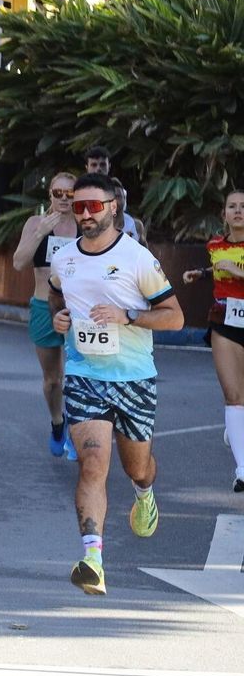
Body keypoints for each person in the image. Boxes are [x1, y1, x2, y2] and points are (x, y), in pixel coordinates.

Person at [48, 173, 184, 595]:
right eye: (78, 205)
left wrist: (129, 316)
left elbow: (175, 317)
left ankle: (144, 492)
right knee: (92, 464)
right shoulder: (64, 258)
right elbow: (57, 296)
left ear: (113, 208)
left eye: (93, 206)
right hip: (85, 375)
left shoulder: (137, 258)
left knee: (135, 467)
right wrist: (61, 320)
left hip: (134, 378)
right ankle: (92, 558)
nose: (85, 213)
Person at [13, 172, 81, 459]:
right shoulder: (34, 223)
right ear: (50, 195)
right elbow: (18, 263)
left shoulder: (84, 225)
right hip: (44, 306)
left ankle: (79, 433)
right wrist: (41, 231)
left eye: (70, 194)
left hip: (79, 308)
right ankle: (57, 422)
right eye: (58, 193)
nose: (64, 199)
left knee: (79, 376)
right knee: (53, 380)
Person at [183, 188, 244, 490]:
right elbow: (220, 267)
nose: (238, 211)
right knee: (233, 395)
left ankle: (236, 430)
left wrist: (236, 270)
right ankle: (243, 469)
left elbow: (232, 267)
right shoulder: (215, 245)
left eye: (243, 206)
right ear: (224, 214)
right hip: (224, 322)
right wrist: (201, 273)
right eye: (232, 206)